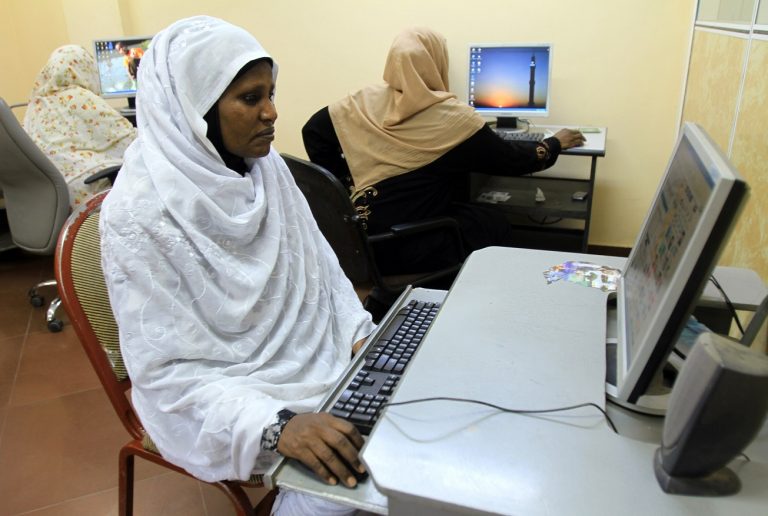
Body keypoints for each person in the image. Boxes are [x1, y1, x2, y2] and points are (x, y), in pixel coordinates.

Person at [99, 16, 376, 515]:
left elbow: (323, 274)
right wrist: (275, 423)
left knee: (404, 438)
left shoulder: (266, 171)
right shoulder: (139, 212)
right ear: (194, 107)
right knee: (344, 491)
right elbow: (168, 372)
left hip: (310, 360)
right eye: (251, 98)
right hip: (225, 393)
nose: (272, 113)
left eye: (272, 93)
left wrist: (359, 336)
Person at [303, 27, 586, 275]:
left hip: (354, 238)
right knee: (493, 221)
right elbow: (514, 159)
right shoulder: (452, 119)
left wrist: (346, 184)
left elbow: (313, 132)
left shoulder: (361, 102)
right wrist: (555, 142)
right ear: (436, 63)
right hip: (401, 246)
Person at [23, 45, 136, 207]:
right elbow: (128, 141)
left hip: (50, 195)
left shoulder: (36, 104)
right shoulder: (80, 98)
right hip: (85, 191)